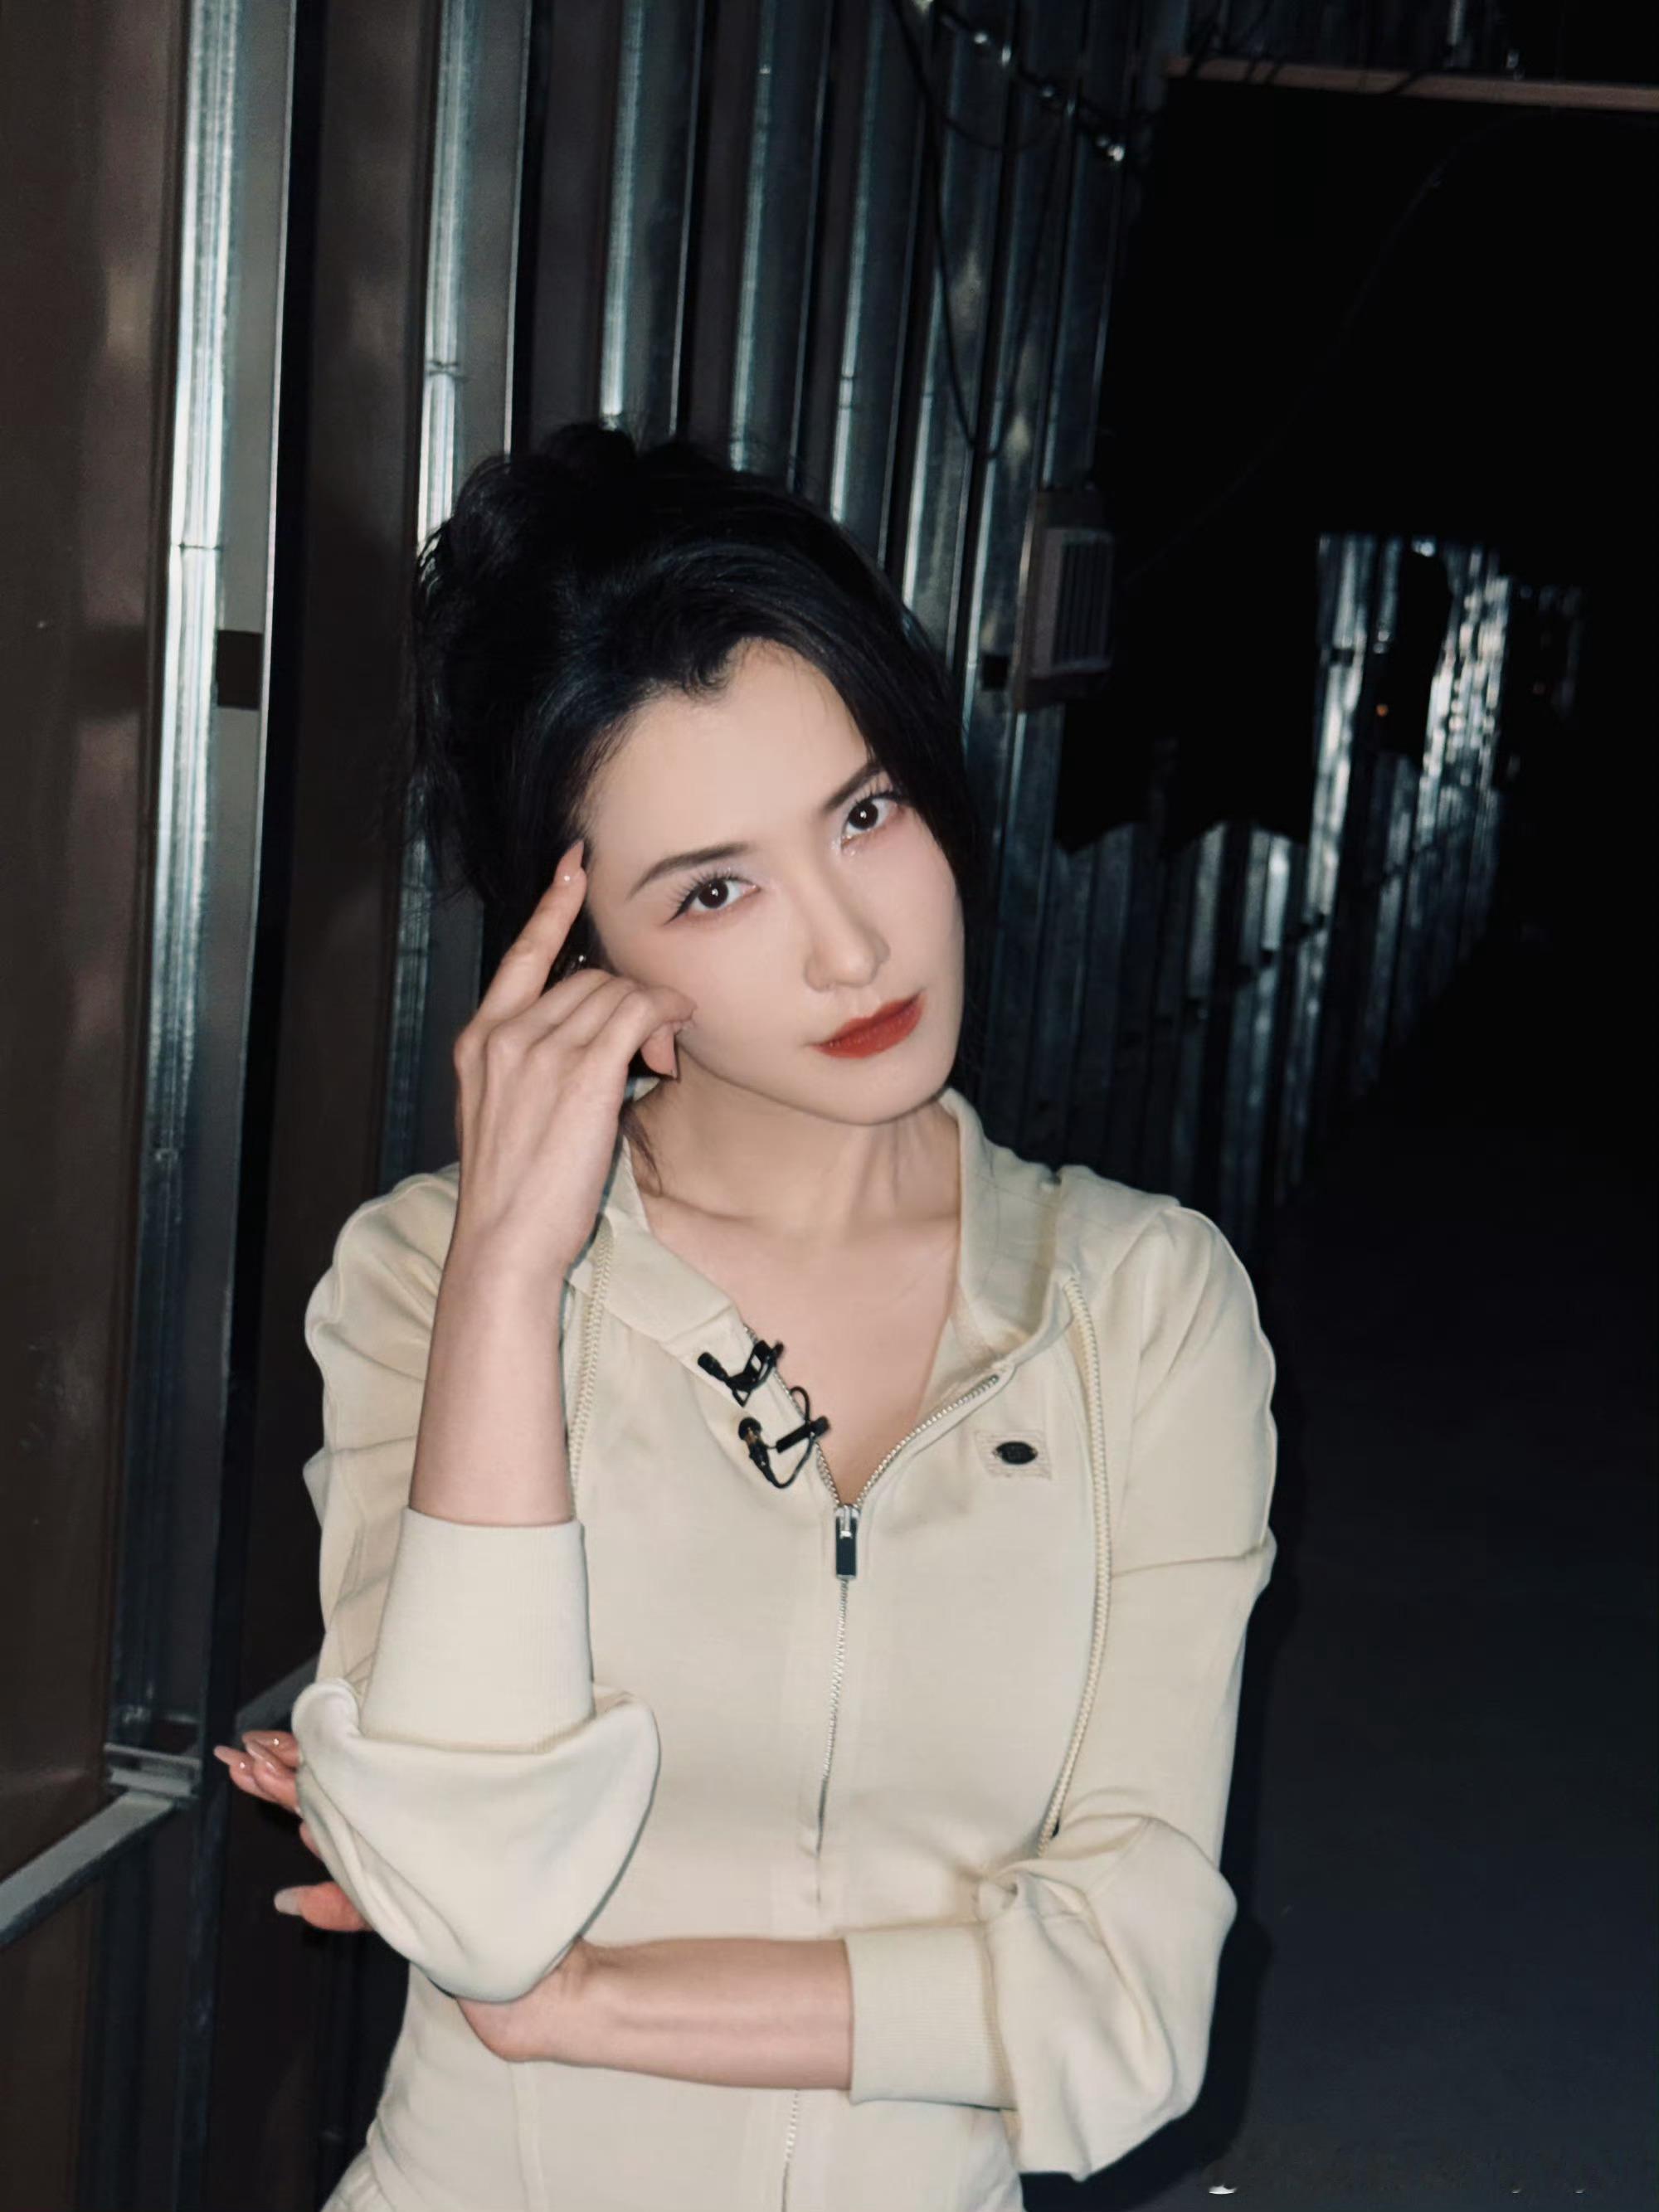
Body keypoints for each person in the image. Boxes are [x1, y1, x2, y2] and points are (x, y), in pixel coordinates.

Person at [214, 423, 1279, 2212]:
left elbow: (1129, 2006)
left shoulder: (1141, 1308)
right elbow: (473, 1902)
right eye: (716, 888)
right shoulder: (425, 1279)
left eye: (865, 814)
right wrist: (510, 1274)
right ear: (579, 955)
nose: (852, 948)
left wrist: (586, 2004)